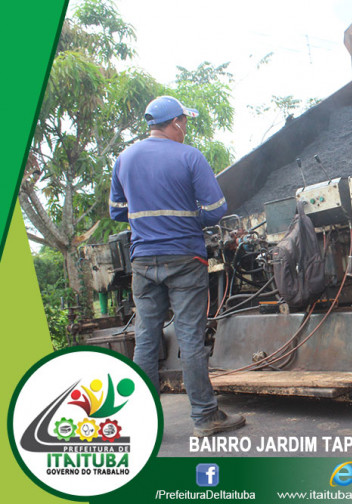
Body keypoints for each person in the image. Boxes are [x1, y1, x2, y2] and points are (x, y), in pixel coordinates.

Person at [109, 96, 245, 437]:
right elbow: (215, 209)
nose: (185, 129)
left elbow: (116, 210)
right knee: (190, 338)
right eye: (184, 122)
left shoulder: (124, 158)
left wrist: (149, 218)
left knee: (146, 340)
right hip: (185, 257)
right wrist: (186, 218)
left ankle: (141, 422)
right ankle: (205, 417)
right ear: (175, 123)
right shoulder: (189, 156)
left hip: (143, 260)